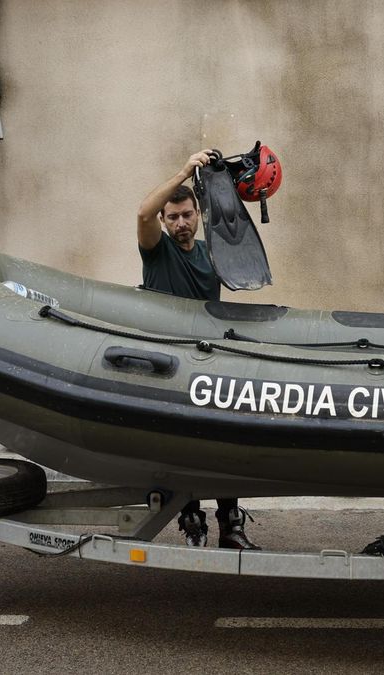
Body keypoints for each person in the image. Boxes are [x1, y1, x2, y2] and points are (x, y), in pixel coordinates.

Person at [137, 149, 260, 550]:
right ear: (165, 221)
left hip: (209, 359)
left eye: (187, 215)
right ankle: (191, 519)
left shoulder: (212, 253)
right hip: (169, 364)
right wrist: (184, 170)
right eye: (172, 217)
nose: (181, 223)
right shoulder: (157, 249)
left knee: (221, 444)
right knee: (177, 447)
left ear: (196, 214)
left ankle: (230, 523)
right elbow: (142, 214)